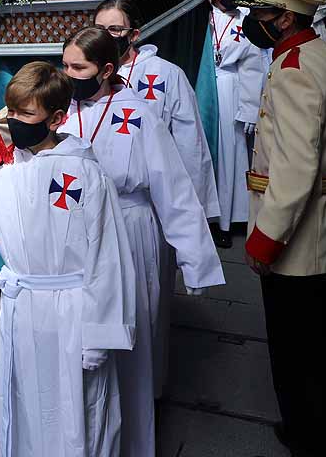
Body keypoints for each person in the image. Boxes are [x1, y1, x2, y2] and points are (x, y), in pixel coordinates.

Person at [0, 60, 137, 457]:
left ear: (57, 117)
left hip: (71, 314)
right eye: (11, 111)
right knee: (25, 404)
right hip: (22, 310)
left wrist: (98, 337)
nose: (14, 121)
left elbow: (107, 258)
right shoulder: (1, 171)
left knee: (78, 411)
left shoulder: (84, 173)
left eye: (27, 113)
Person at [57, 28, 223, 455]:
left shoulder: (138, 114)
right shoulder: (60, 110)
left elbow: (173, 188)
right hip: (75, 236)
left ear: (107, 69)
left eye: (79, 67)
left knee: (134, 335)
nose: (68, 74)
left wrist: (194, 261)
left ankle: (133, 434)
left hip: (130, 228)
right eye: (65, 64)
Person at [238, 0, 326, 457]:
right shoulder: (318, 56)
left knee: (296, 352)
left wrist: (265, 240)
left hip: (295, 242)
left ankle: (314, 441)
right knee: (312, 347)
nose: (253, 22)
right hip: (321, 232)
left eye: (261, 14)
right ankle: (314, 432)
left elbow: (294, 169)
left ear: (284, 19)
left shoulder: (294, 71)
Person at [93, 0, 218, 220]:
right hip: (99, 201)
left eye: (115, 29)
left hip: (151, 202)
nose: (105, 37)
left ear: (133, 35)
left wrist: (194, 211)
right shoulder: (86, 74)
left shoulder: (166, 74)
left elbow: (190, 144)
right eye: (99, 29)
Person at [207, 0, 267, 248]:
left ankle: (232, 218)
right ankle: (210, 217)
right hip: (205, 88)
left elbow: (253, 66)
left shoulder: (246, 20)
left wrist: (250, 108)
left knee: (232, 156)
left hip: (231, 91)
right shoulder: (203, 18)